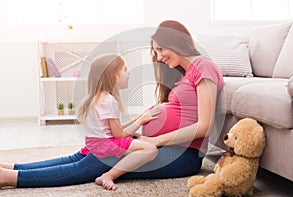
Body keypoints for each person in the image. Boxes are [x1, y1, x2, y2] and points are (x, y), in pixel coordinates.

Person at [0, 20, 224, 189]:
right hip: (164, 146)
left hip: (183, 155)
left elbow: (203, 126)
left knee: (101, 160)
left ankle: (10, 178)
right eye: (155, 51)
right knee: (83, 155)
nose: (157, 57)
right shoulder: (183, 74)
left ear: (175, 43)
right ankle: (14, 168)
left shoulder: (203, 67)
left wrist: (153, 139)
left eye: (159, 50)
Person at [76, 54, 160, 190]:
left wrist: (137, 118)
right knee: (150, 149)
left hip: (96, 142)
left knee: (137, 138)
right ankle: (108, 175)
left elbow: (114, 129)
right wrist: (141, 121)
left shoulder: (100, 97)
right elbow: (119, 134)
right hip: (105, 145)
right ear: (114, 76)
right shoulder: (109, 100)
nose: (128, 74)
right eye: (125, 70)